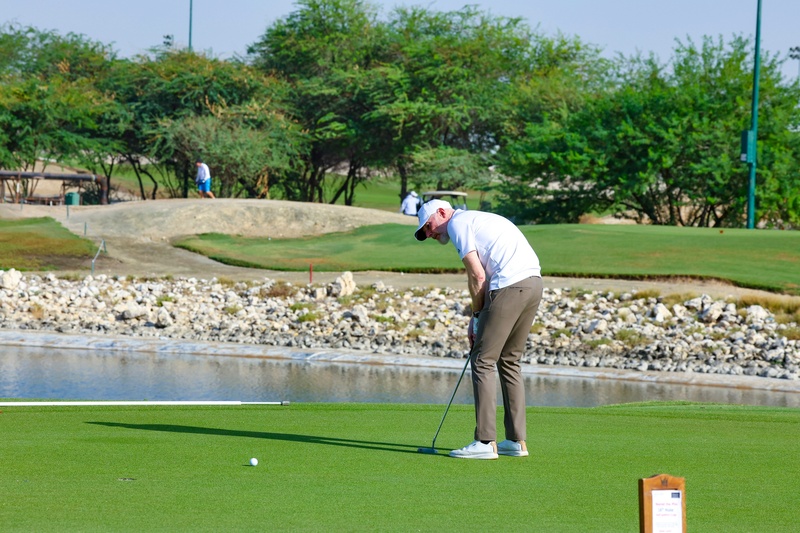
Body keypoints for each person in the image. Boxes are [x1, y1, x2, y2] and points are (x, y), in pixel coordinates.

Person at [414, 199, 543, 460]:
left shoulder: (457, 224)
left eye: (428, 226)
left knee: (482, 360)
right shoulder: (476, 218)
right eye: (425, 231)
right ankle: (516, 441)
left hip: (509, 285)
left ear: (442, 212)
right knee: (509, 360)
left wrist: (475, 317)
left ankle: (485, 441)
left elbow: (477, 276)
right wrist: (478, 317)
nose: (429, 234)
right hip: (533, 284)